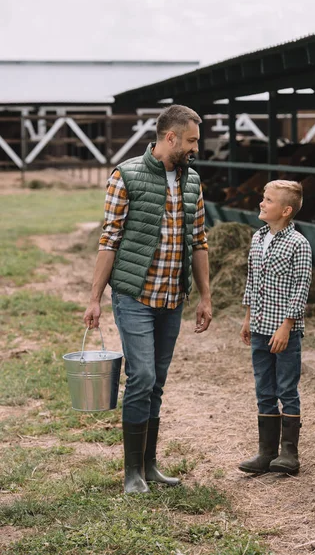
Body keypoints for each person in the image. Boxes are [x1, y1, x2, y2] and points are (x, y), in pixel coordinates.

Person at [84, 105, 212, 494]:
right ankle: (131, 473)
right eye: (190, 141)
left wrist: (205, 296)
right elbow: (109, 239)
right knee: (141, 377)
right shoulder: (126, 176)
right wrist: (94, 299)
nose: (195, 149)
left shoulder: (192, 182)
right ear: (170, 137)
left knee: (156, 382)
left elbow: (200, 240)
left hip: (172, 298)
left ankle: (150, 464)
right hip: (134, 294)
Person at [239, 180, 312, 475]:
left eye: (268, 200)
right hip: (258, 327)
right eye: (263, 198)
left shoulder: (299, 244)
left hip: (284, 331)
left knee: (286, 388)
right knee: (264, 388)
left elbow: (301, 287)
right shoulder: (258, 238)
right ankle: (266, 452)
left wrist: (287, 326)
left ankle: (289, 454)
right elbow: (251, 282)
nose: (261, 203)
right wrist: (247, 318)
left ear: (286, 210)